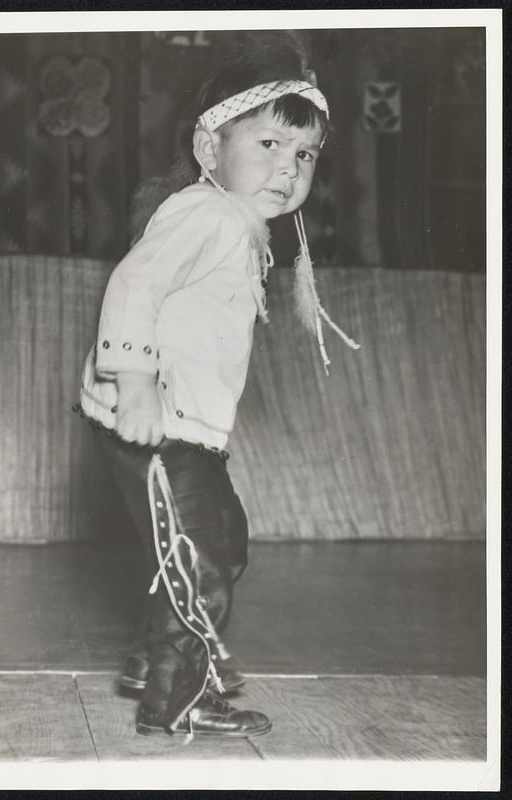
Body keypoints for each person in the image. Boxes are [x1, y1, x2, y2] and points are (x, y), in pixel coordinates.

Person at [76, 48, 359, 740]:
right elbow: (133, 284)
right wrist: (134, 380)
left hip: (189, 430)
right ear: (210, 146)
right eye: (269, 143)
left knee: (220, 542)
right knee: (201, 557)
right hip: (155, 419)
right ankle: (178, 698)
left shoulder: (236, 225)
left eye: (306, 154)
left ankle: (154, 659)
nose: (289, 167)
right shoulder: (207, 214)